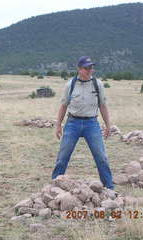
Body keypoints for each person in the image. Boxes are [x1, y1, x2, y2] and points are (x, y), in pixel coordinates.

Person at [52, 56, 114, 189]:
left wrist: (108, 125)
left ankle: (109, 188)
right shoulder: (70, 85)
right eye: (86, 68)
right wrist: (58, 125)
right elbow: (63, 106)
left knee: (101, 157)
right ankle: (54, 185)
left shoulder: (98, 84)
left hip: (91, 124)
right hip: (72, 123)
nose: (90, 70)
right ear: (79, 69)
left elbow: (103, 106)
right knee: (63, 156)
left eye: (91, 67)